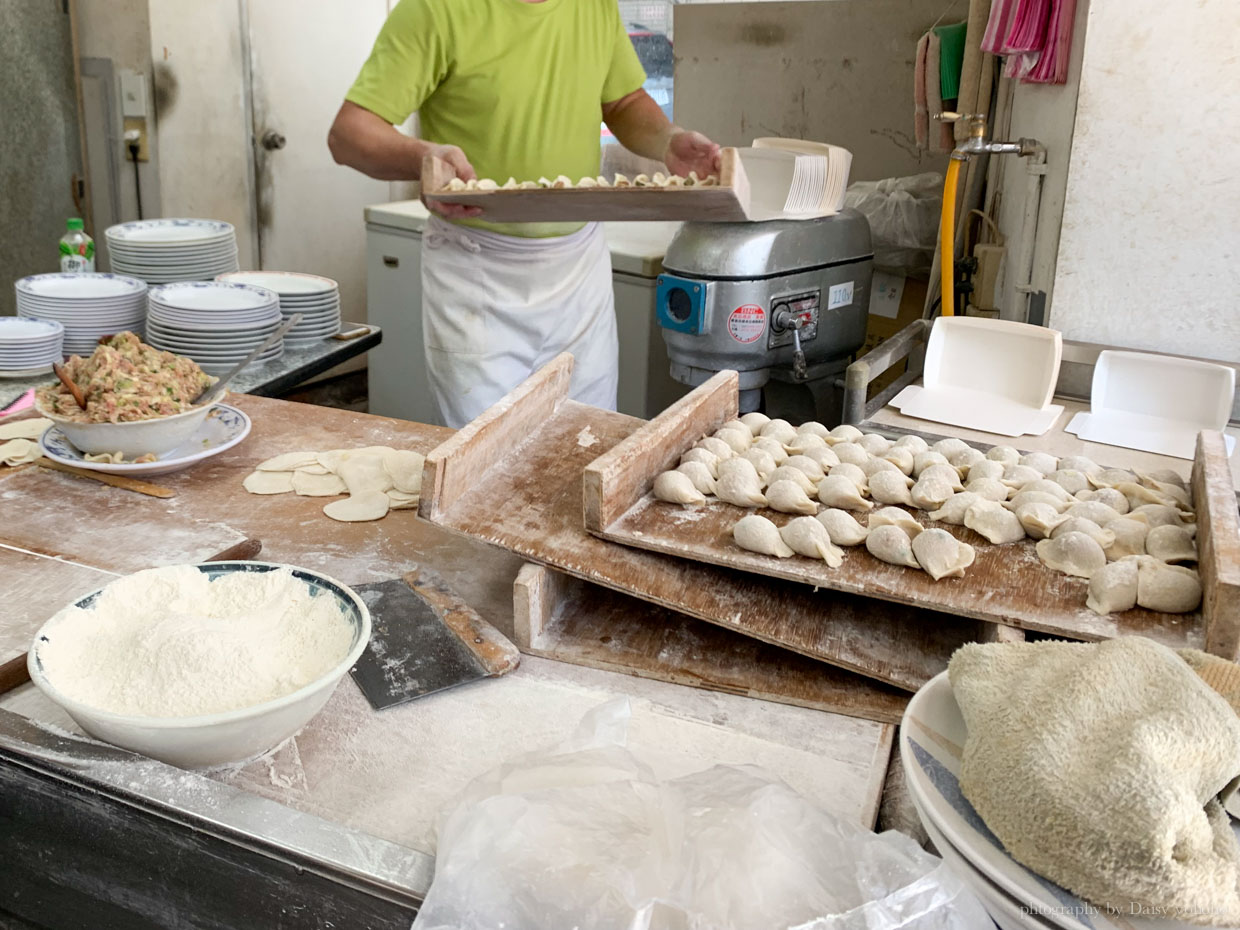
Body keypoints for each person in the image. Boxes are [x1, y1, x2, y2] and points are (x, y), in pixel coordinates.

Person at [329, 0, 720, 428]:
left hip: (579, 270)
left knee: (587, 441)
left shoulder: (595, 7)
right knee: (489, 461)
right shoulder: (435, 9)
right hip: (478, 269)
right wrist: (421, 156)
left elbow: (623, 100)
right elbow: (349, 134)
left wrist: (668, 140)